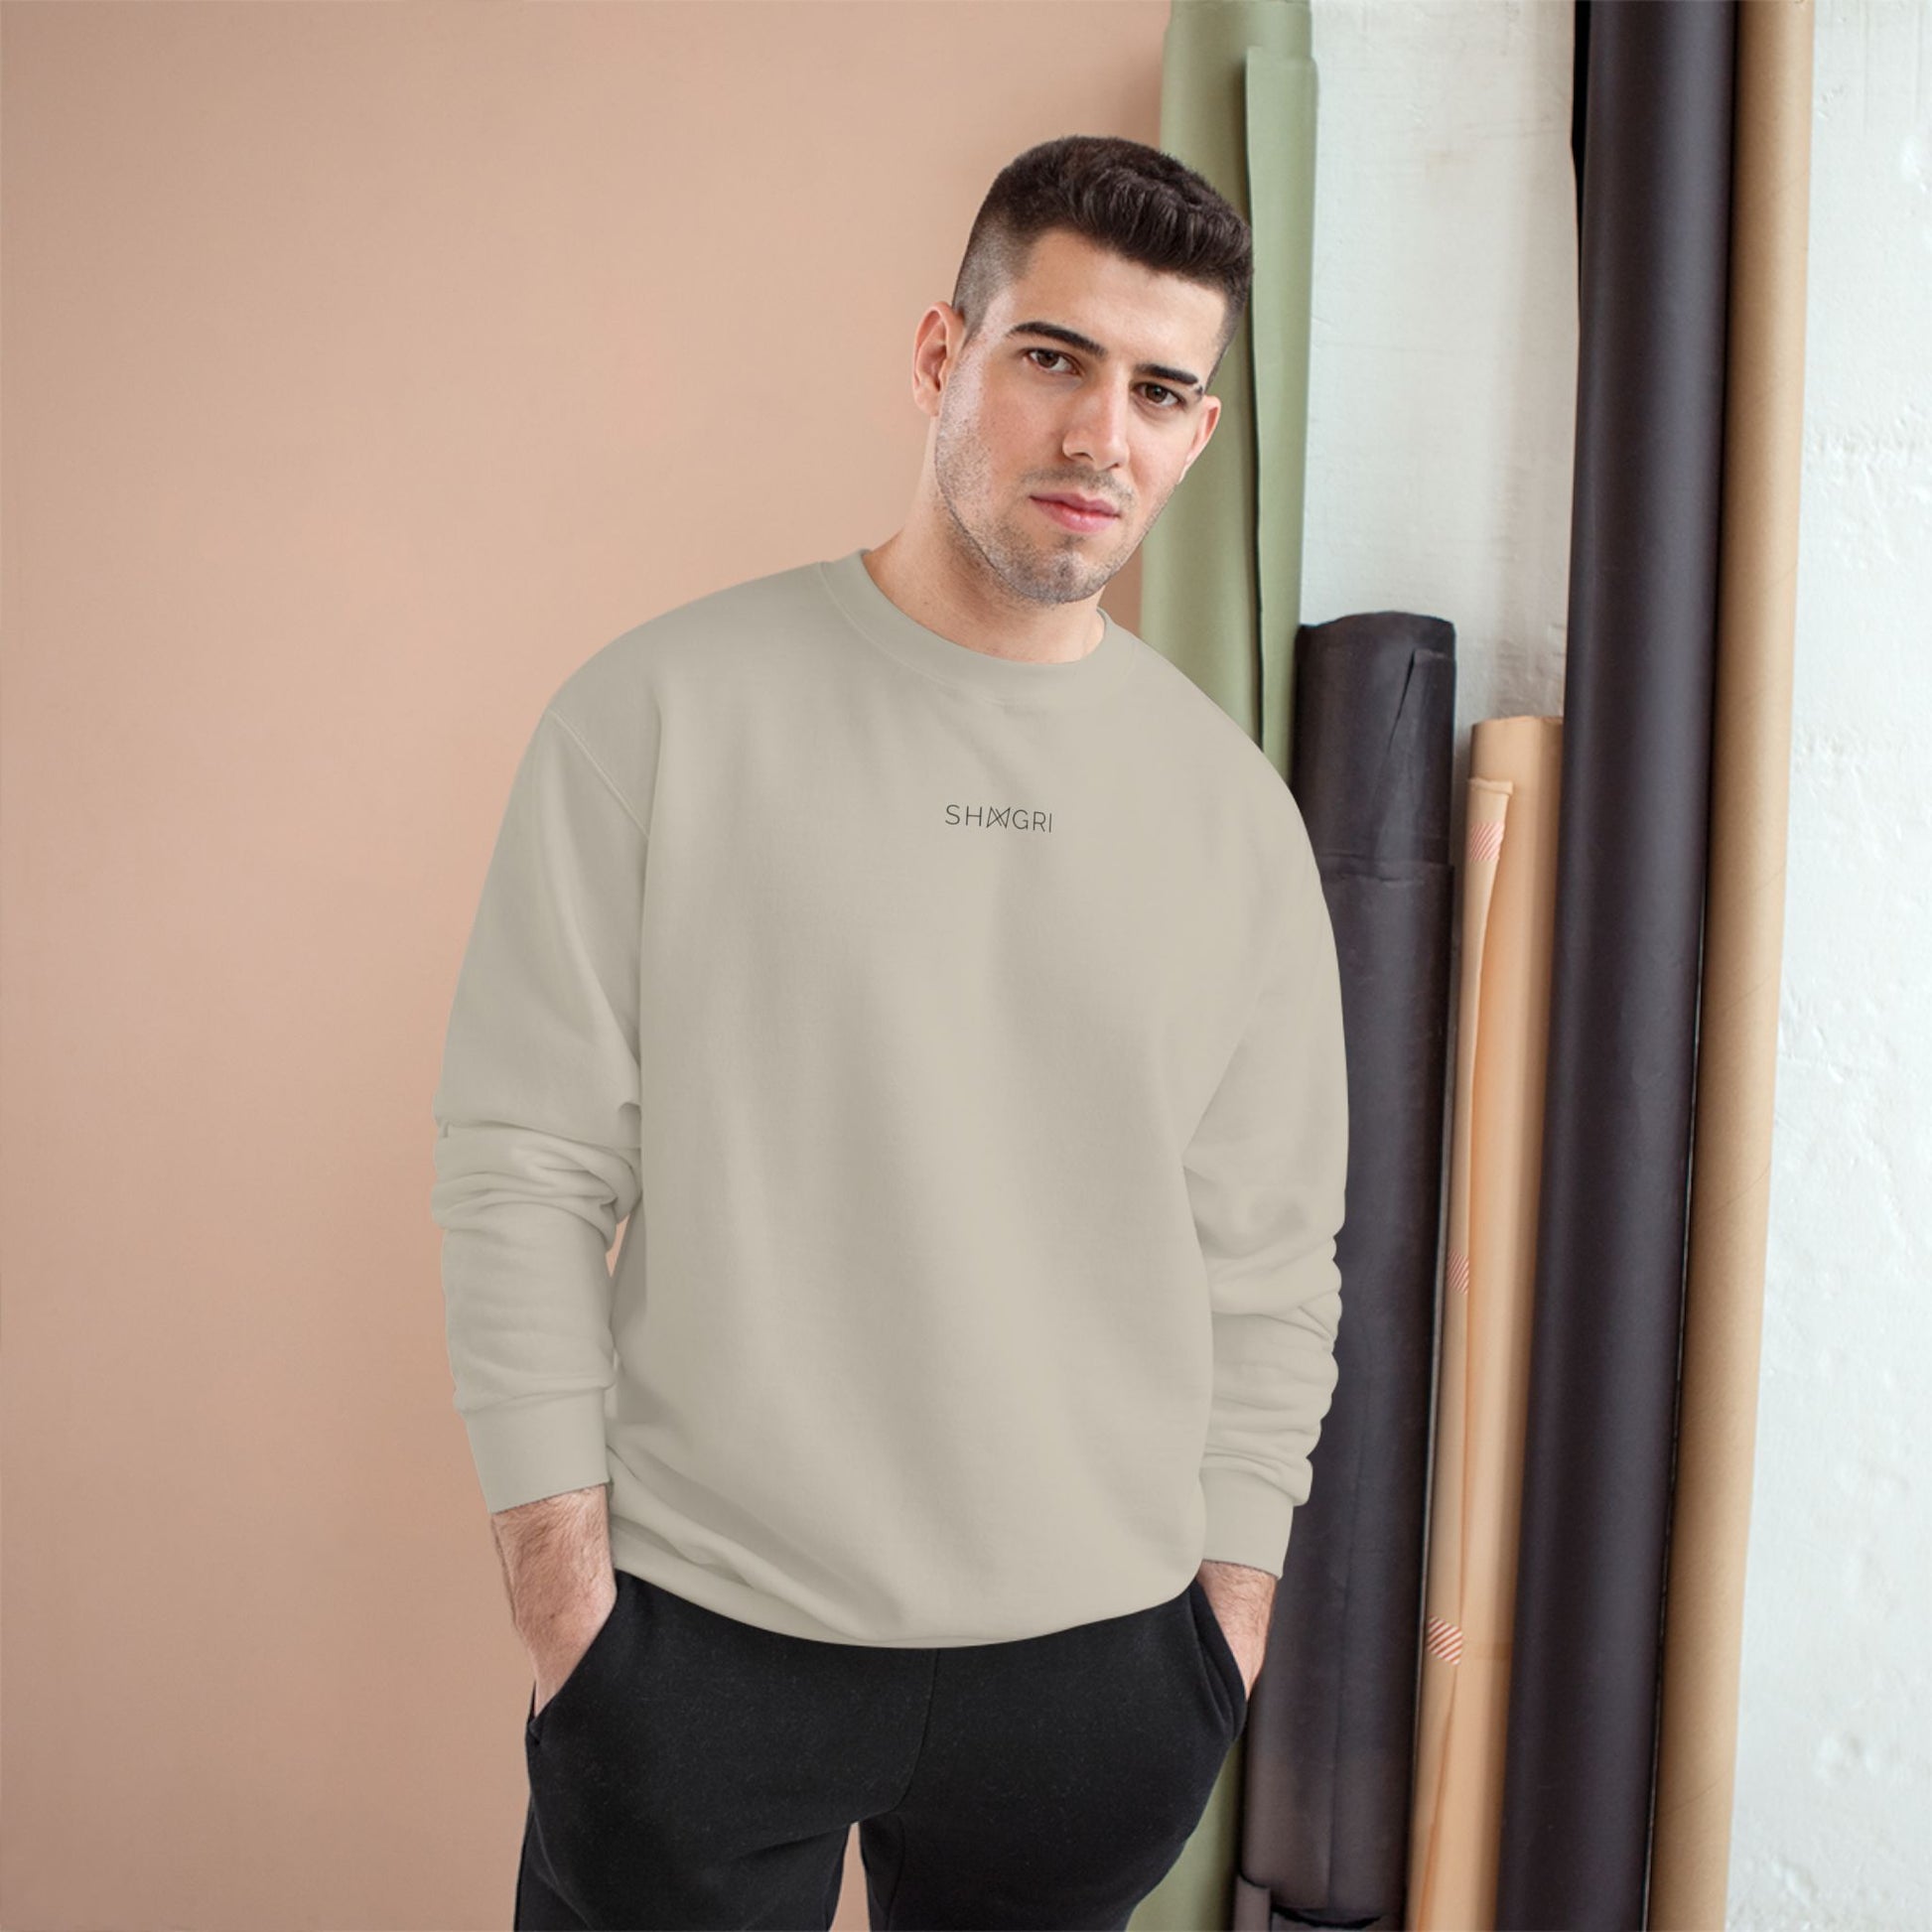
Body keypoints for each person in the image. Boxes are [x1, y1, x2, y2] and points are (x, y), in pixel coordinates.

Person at [430, 131, 1349, 1932]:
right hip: (696, 1644)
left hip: (1101, 1673)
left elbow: (1271, 1259)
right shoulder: (659, 713)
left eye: (1159, 390)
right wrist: (564, 1600)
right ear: (942, 354)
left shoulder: (1230, 812)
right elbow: (522, 1165)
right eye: (1053, 356)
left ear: (1195, 437)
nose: (1100, 434)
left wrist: (1220, 1627)